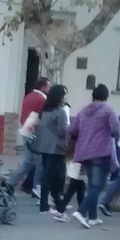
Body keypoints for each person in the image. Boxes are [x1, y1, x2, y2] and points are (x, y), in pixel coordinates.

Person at [68, 84, 120, 229]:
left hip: (84, 152)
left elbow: (73, 130)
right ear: (106, 97)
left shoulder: (83, 111)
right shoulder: (108, 110)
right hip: (101, 151)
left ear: (93, 96)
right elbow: (116, 129)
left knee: (92, 185)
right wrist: (111, 135)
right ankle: (81, 212)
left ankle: (93, 217)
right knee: (98, 186)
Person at [33, 85, 70, 217]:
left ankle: (57, 203)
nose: (65, 97)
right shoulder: (60, 112)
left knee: (50, 175)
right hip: (56, 148)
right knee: (52, 176)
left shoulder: (45, 110)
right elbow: (62, 131)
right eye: (64, 95)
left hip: (44, 146)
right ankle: (44, 204)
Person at [12, 77, 51, 195]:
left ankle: (11, 182)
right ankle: (36, 187)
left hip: (26, 130)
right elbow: (43, 117)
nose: (49, 88)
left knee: (28, 162)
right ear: (43, 87)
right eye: (48, 86)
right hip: (36, 133)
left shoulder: (28, 96)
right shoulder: (42, 99)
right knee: (39, 163)